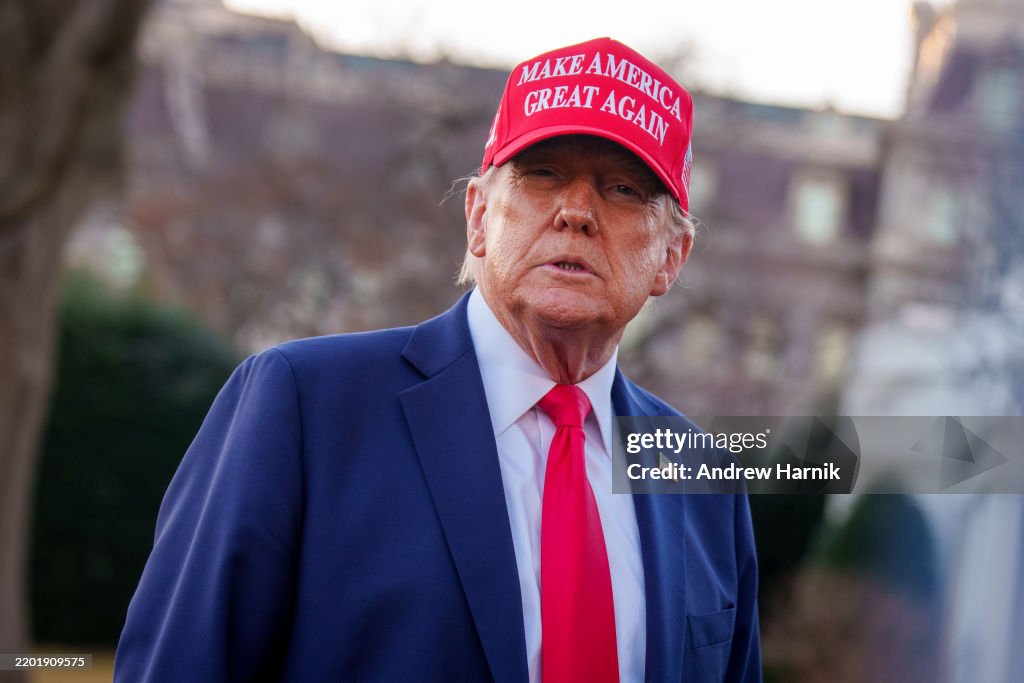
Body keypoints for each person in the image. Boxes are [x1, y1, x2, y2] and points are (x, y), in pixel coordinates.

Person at [114, 37, 761, 682]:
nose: (576, 212)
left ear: (673, 257)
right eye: (543, 174)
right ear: (479, 216)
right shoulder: (303, 408)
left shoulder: (704, 482)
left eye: (622, 188)